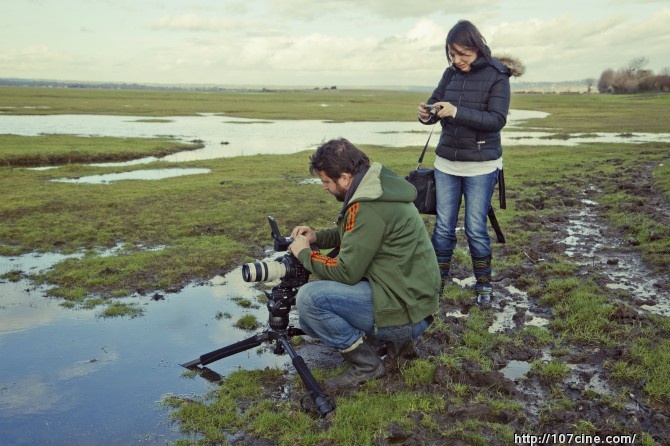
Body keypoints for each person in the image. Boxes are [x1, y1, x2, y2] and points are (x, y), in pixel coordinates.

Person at [287, 138, 440, 390]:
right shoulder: (376, 187)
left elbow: (346, 272)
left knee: (309, 300)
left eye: (326, 181)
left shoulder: (369, 206)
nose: (324, 188)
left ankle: (367, 365)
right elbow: (355, 233)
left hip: (407, 315)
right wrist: (317, 237)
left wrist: (305, 254)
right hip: (413, 303)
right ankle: (389, 343)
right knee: (308, 321)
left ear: (345, 177)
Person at [417, 19, 523, 305]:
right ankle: (436, 285)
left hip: (481, 165)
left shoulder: (497, 75)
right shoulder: (449, 73)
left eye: (462, 53)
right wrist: (427, 114)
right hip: (446, 164)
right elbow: (436, 102)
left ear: (477, 47)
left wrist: (456, 112)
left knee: (475, 228)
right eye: (452, 54)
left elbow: (496, 120)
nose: (457, 60)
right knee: (442, 227)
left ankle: (484, 286)